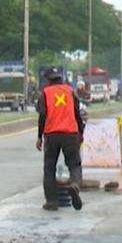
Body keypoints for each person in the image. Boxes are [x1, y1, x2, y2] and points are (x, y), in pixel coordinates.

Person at [36, 66, 85, 211]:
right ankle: (75, 184)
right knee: (74, 164)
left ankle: (51, 201)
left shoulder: (45, 93)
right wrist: (80, 133)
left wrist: (39, 137)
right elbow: (77, 114)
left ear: (47, 79)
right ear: (61, 78)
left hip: (51, 135)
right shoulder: (70, 92)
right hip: (70, 133)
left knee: (49, 168)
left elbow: (42, 116)